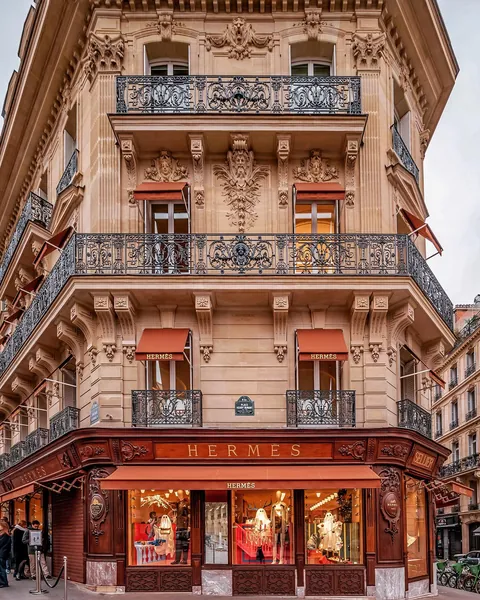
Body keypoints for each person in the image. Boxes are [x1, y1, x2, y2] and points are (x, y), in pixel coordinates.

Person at [0, 520, 10, 588]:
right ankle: (3, 582)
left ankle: (3, 582)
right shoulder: (4, 535)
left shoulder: (5, 535)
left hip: (2, 554)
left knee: (1, 569)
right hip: (3, 553)